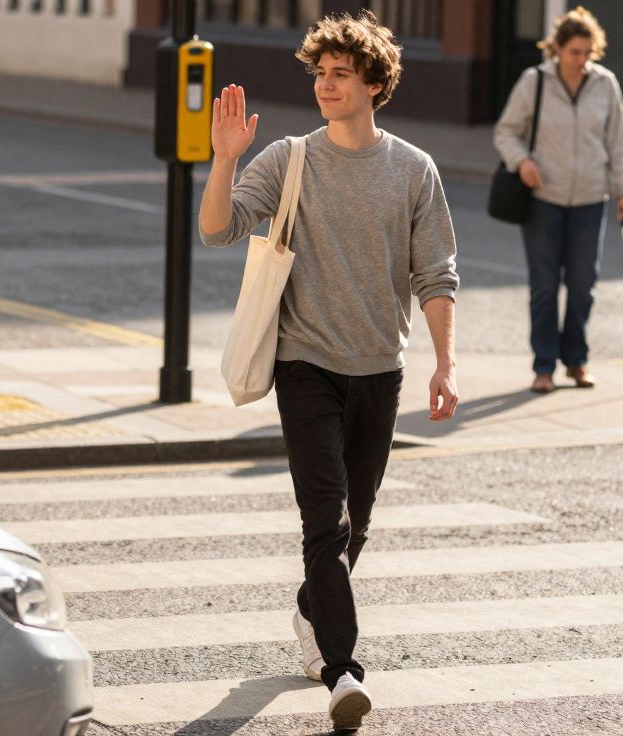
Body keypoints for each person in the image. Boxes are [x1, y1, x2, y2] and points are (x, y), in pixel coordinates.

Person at [199, 10, 459, 730]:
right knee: (326, 522)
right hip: (304, 363)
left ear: (376, 84)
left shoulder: (413, 170)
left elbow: (437, 274)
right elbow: (218, 229)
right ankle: (341, 669)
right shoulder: (288, 159)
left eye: (341, 74)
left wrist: (446, 363)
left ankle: (312, 615)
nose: (325, 84)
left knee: (358, 527)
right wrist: (223, 159)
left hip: (380, 367)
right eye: (320, 72)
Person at [494, 6, 623, 394]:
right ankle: (543, 366)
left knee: (582, 283)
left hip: (591, 198)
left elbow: (618, 144)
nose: (581, 60)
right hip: (543, 199)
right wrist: (521, 161)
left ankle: (576, 360)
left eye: (588, 52)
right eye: (575, 52)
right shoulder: (534, 82)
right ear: (557, 49)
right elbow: (506, 132)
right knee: (544, 286)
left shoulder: (605, 85)